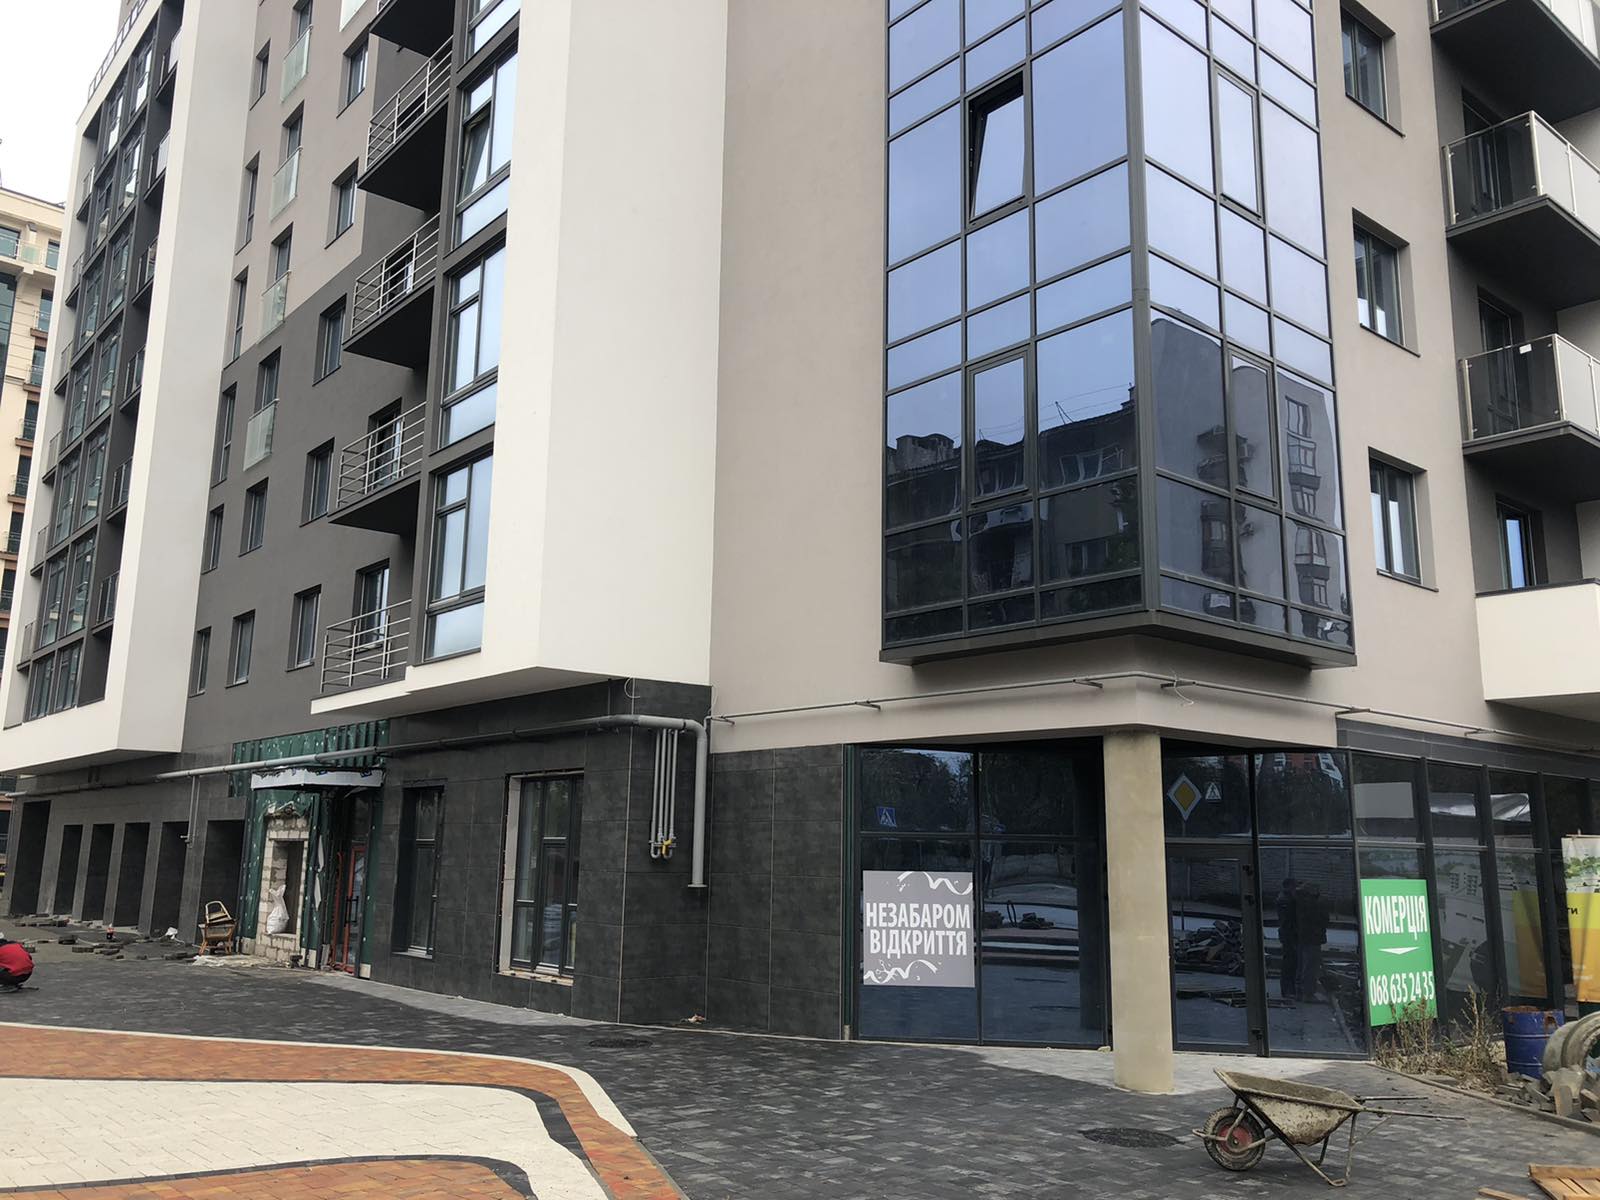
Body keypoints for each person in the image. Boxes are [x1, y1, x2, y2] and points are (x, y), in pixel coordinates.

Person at [1275, 878, 1300, 1000]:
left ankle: (1289, 989)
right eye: (1294, 886)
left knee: (1291, 962)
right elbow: (1289, 918)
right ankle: (1287, 990)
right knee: (1289, 963)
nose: (1295, 889)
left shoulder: (1286, 898)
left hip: (1288, 933)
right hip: (1288, 934)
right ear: (1289, 886)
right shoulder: (1285, 899)